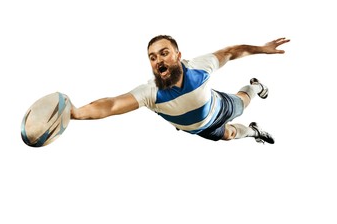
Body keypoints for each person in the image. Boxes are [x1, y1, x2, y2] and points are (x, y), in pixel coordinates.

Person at [70, 36, 290, 144]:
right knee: (230, 135)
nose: (158, 60)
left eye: (164, 53)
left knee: (243, 101)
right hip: (200, 129)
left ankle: (255, 86)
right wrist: (78, 112)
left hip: (220, 107)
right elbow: (111, 105)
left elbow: (231, 52)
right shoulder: (151, 93)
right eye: (152, 57)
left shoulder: (199, 67)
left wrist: (262, 49)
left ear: (178, 55)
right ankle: (254, 131)